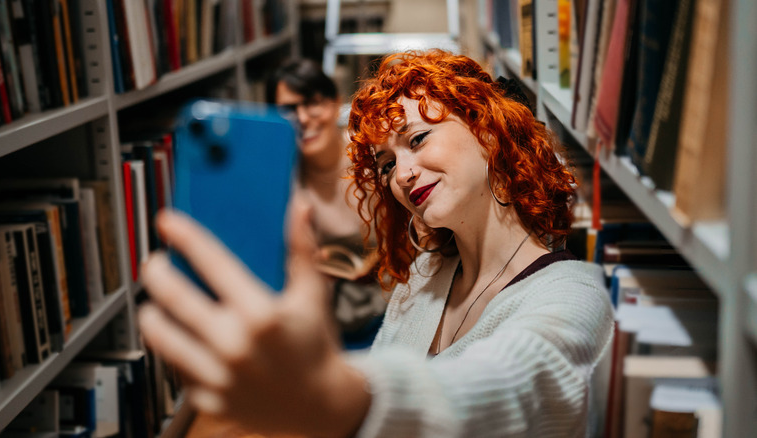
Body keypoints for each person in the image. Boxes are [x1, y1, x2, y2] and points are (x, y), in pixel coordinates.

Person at [139, 50, 614, 437]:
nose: (403, 174)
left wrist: (334, 398)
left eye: (418, 138)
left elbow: (514, 385)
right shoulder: (429, 273)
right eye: (387, 164)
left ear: (486, 129)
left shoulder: (577, 292)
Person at [265, 58, 386, 348]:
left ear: (333, 104)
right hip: (321, 329)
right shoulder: (280, 178)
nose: (303, 118)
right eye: (288, 110)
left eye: (312, 103)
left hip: (389, 313)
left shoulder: (371, 156)